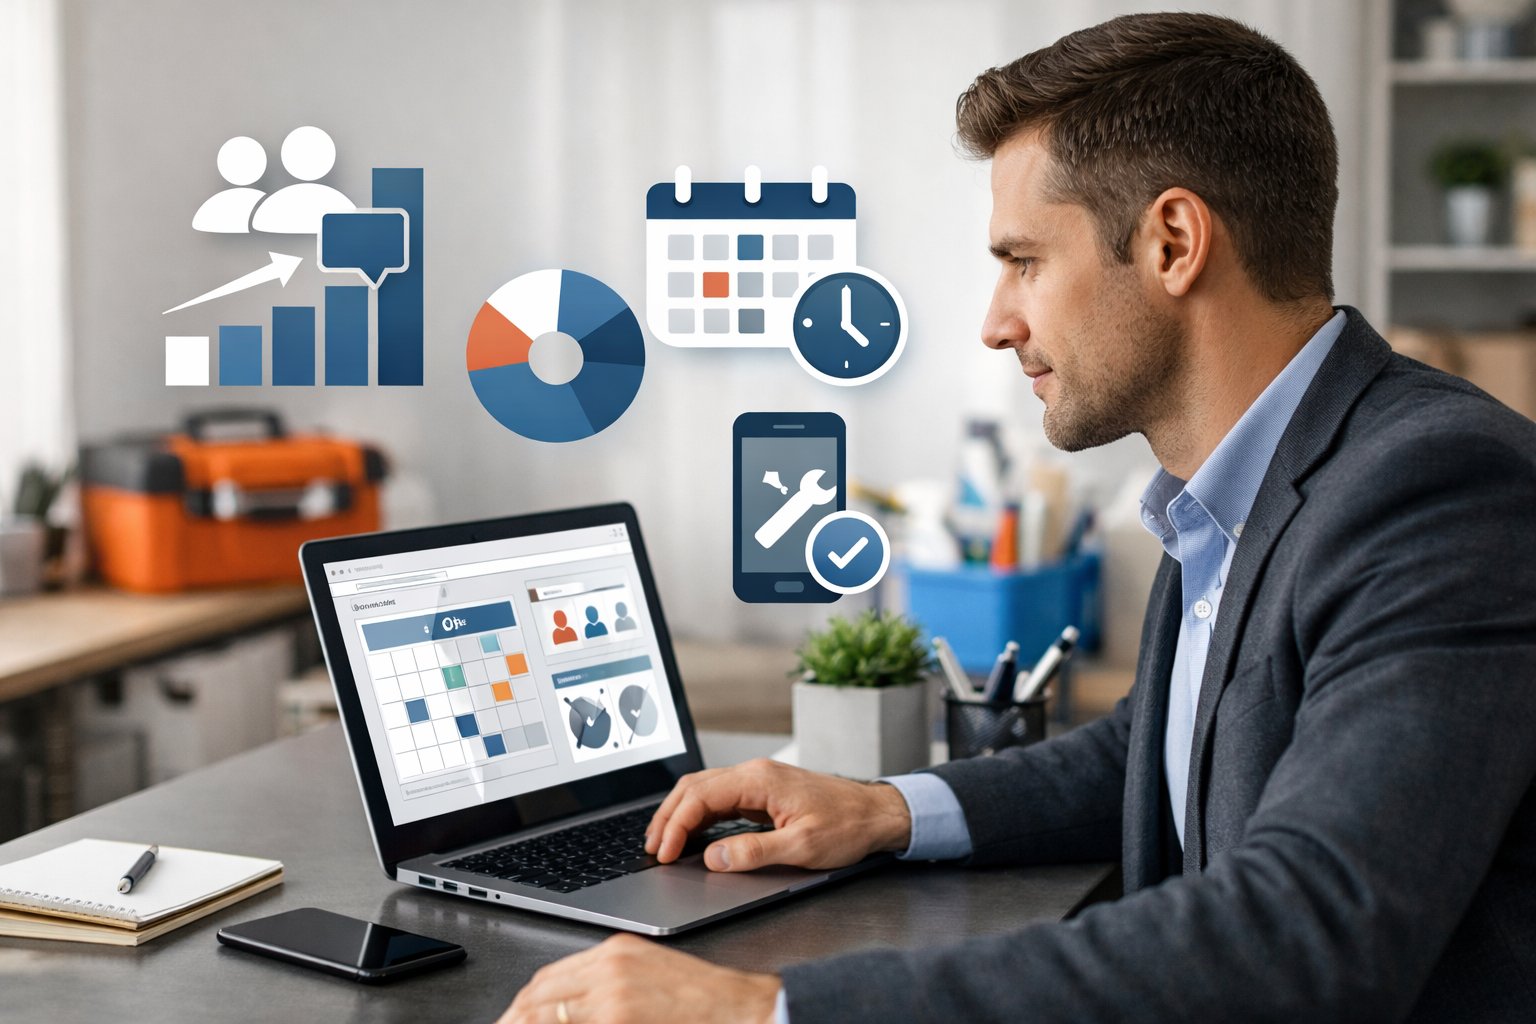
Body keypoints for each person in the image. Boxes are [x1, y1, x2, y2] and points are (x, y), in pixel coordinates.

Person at [500, 13, 1536, 1024]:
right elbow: (1164, 741)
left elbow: (1312, 930)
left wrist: (770, 1006)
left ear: (1173, 241)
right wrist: (886, 809)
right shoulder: (1239, 477)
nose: (998, 322)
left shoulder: (1436, 488)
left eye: (1024, 260)